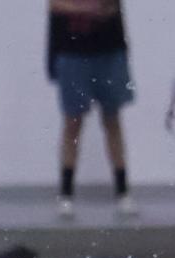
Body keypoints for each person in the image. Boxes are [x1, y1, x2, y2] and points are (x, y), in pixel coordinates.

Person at [49, 0, 134, 218]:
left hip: (108, 50)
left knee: (112, 121)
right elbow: (55, 5)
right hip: (72, 51)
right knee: (72, 124)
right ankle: (66, 193)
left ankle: (122, 191)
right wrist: (85, 9)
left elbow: (111, 6)